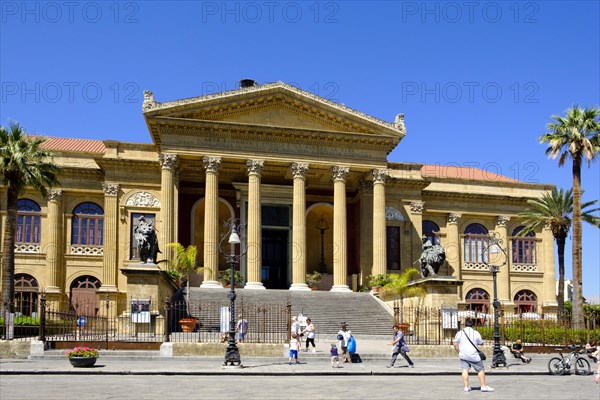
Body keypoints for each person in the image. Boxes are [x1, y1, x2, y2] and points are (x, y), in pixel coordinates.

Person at [453, 319, 494, 392]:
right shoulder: (476, 333)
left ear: (465, 325)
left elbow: (455, 344)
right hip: (474, 355)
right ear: (473, 325)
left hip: (463, 355)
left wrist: (459, 352)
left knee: (465, 370)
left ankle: (466, 387)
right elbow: (481, 342)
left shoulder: (460, 333)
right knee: (480, 370)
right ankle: (483, 386)